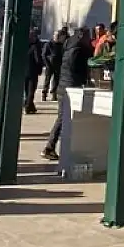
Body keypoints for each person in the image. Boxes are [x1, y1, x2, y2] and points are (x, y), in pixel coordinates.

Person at [41, 25, 94, 161]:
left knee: (62, 118)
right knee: (64, 118)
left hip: (63, 85)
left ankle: (51, 147)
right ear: (81, 36)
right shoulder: (78, 50)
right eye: (88, 36)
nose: (90, 38)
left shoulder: (69, 46)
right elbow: (77, 69)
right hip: (70, 87)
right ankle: (52, 147)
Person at [23, 27, 45, 114]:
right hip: (33, 72)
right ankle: (28, 107)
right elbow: (38, 60)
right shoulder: (35, 47)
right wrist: (41, 67)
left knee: (26, 91)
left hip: (24, 72)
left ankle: (31, 107)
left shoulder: (24, 46)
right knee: (31, 91)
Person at [41, 29, 66, 102]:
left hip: (58, 65)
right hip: (49, 65)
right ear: (53, 36)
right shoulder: (49, 44)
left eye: (58, 36)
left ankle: (54, 94)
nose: (57, 37)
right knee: (47, 80)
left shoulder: (61, 45)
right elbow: (44, 55)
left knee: (56, 81)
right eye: (56, 36)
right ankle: (44, 94)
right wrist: (47, 64)